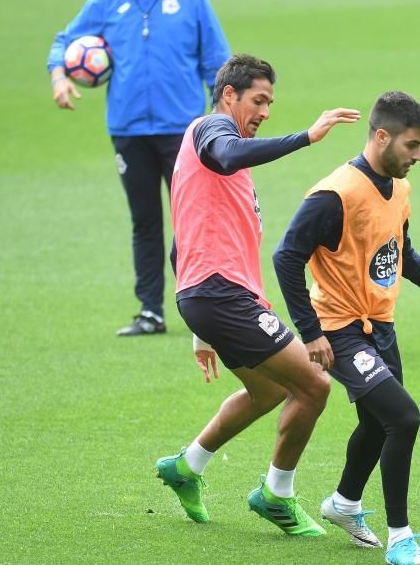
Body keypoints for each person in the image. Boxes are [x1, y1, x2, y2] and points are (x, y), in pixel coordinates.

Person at [272, 91, 420, 565]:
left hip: (380, 328)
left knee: (376, 423)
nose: (418, 156)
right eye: (412, 145)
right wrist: (310, 332)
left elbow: (401, 254)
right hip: (340, 329)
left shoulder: (399, 190)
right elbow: (286, 256)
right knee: (404, 418)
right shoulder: (335, 194)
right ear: (382, 136)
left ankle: (344, 504)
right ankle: (401, 539)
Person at [154, 54, 361, 537]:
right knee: (314, 384)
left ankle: (186, 467)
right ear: (230, 94)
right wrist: (306, 138)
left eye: (270, 101)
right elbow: (227, 154)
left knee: (268, 390)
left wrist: (197, 326)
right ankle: (276, 494)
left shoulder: (214, 164)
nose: (266, 110)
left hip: (212, 298)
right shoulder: (210, 131)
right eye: (259, 100)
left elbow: (180, 244)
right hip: (221, 295)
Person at [47, 0, 231, 336]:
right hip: (129, 130)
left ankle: (200, 309)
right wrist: (60, 76)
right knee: (145, 222)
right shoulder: (105, 3)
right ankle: (151, 311)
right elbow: (63, 42)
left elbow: (217, 65)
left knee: (191, 222)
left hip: (183, 133)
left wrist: (224, 120)